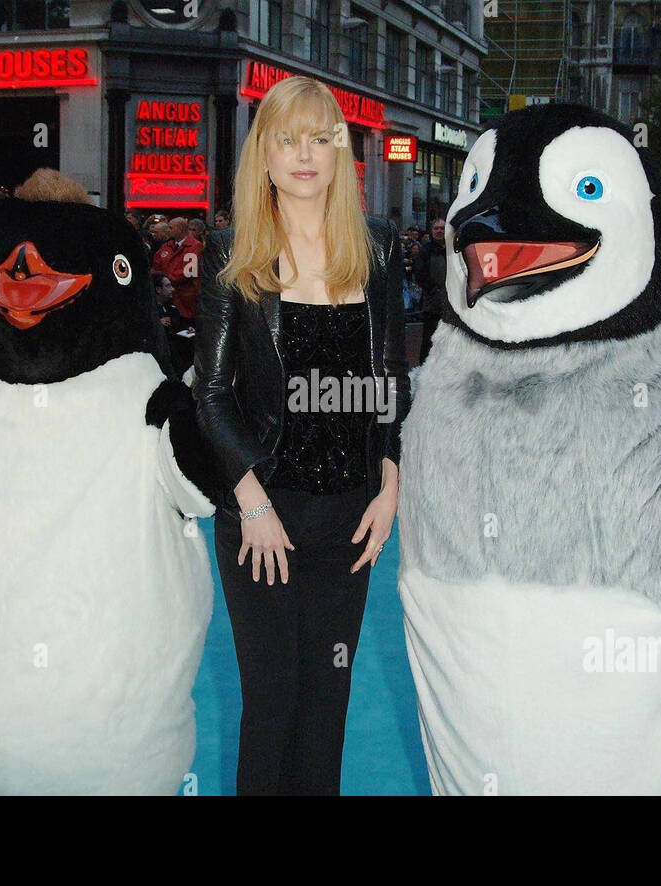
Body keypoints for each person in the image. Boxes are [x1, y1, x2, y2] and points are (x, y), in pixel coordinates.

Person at [193, 74, 410, 795]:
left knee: (329, 698)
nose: (305, 154)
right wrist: (250, 502)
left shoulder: (376, 247)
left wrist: (391, 482)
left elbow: (390, 379)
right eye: (289, 139)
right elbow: (214, 398)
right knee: (273, 697)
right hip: (265, 514)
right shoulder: (232, 251)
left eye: (321, 138)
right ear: (265, 154)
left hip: (351, 516)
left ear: (340, 153)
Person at [414, 217, 447, 363]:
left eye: (442, 228)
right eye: (436, 228)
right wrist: (434, 291)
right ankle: (424, 367)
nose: (439, 231)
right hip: (432, 302)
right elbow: (420, 274)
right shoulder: (425, 250)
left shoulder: (454, 249)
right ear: (431, 231)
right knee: (429, 338)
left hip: (451, 303)